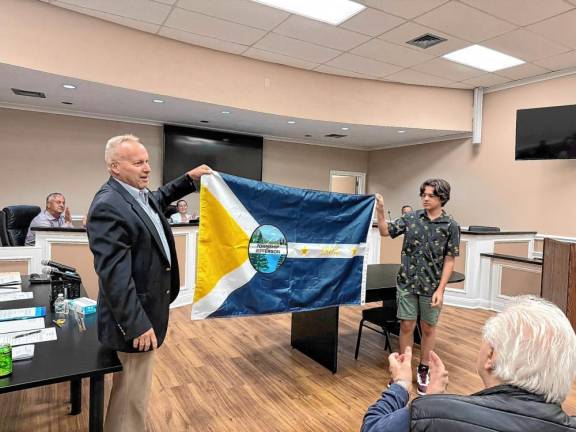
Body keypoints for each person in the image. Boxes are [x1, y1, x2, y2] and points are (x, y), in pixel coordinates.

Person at [86, 134, 211, 432]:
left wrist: (189, 180)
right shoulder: (108, 206)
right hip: (135, 319)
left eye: (147, 161)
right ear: (115, 167)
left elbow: (159, 196)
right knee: (132, 395)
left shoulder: (134, 194)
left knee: (133, 389)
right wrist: (137, 324)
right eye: (138, 162)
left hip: (147, 310)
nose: (147, 168)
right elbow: (114, 276)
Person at [361, 295, 576, 432]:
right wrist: (435, 404)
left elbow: (372, 427)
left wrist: (401, 385)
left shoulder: (431, 413)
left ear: (491, 356)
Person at [375, 179, 459, 394]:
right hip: (407, 283)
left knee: (428, 328)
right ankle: (403, 371)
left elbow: (450, 260)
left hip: (431, 287)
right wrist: (381, 211)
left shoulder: (451, 225)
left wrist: (441, 290)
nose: (425, 198)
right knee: (406, 326)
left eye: (430, 195)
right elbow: (385, 231)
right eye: (423, 194)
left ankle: (424, 369)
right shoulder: (411, 219)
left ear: (442, 198)